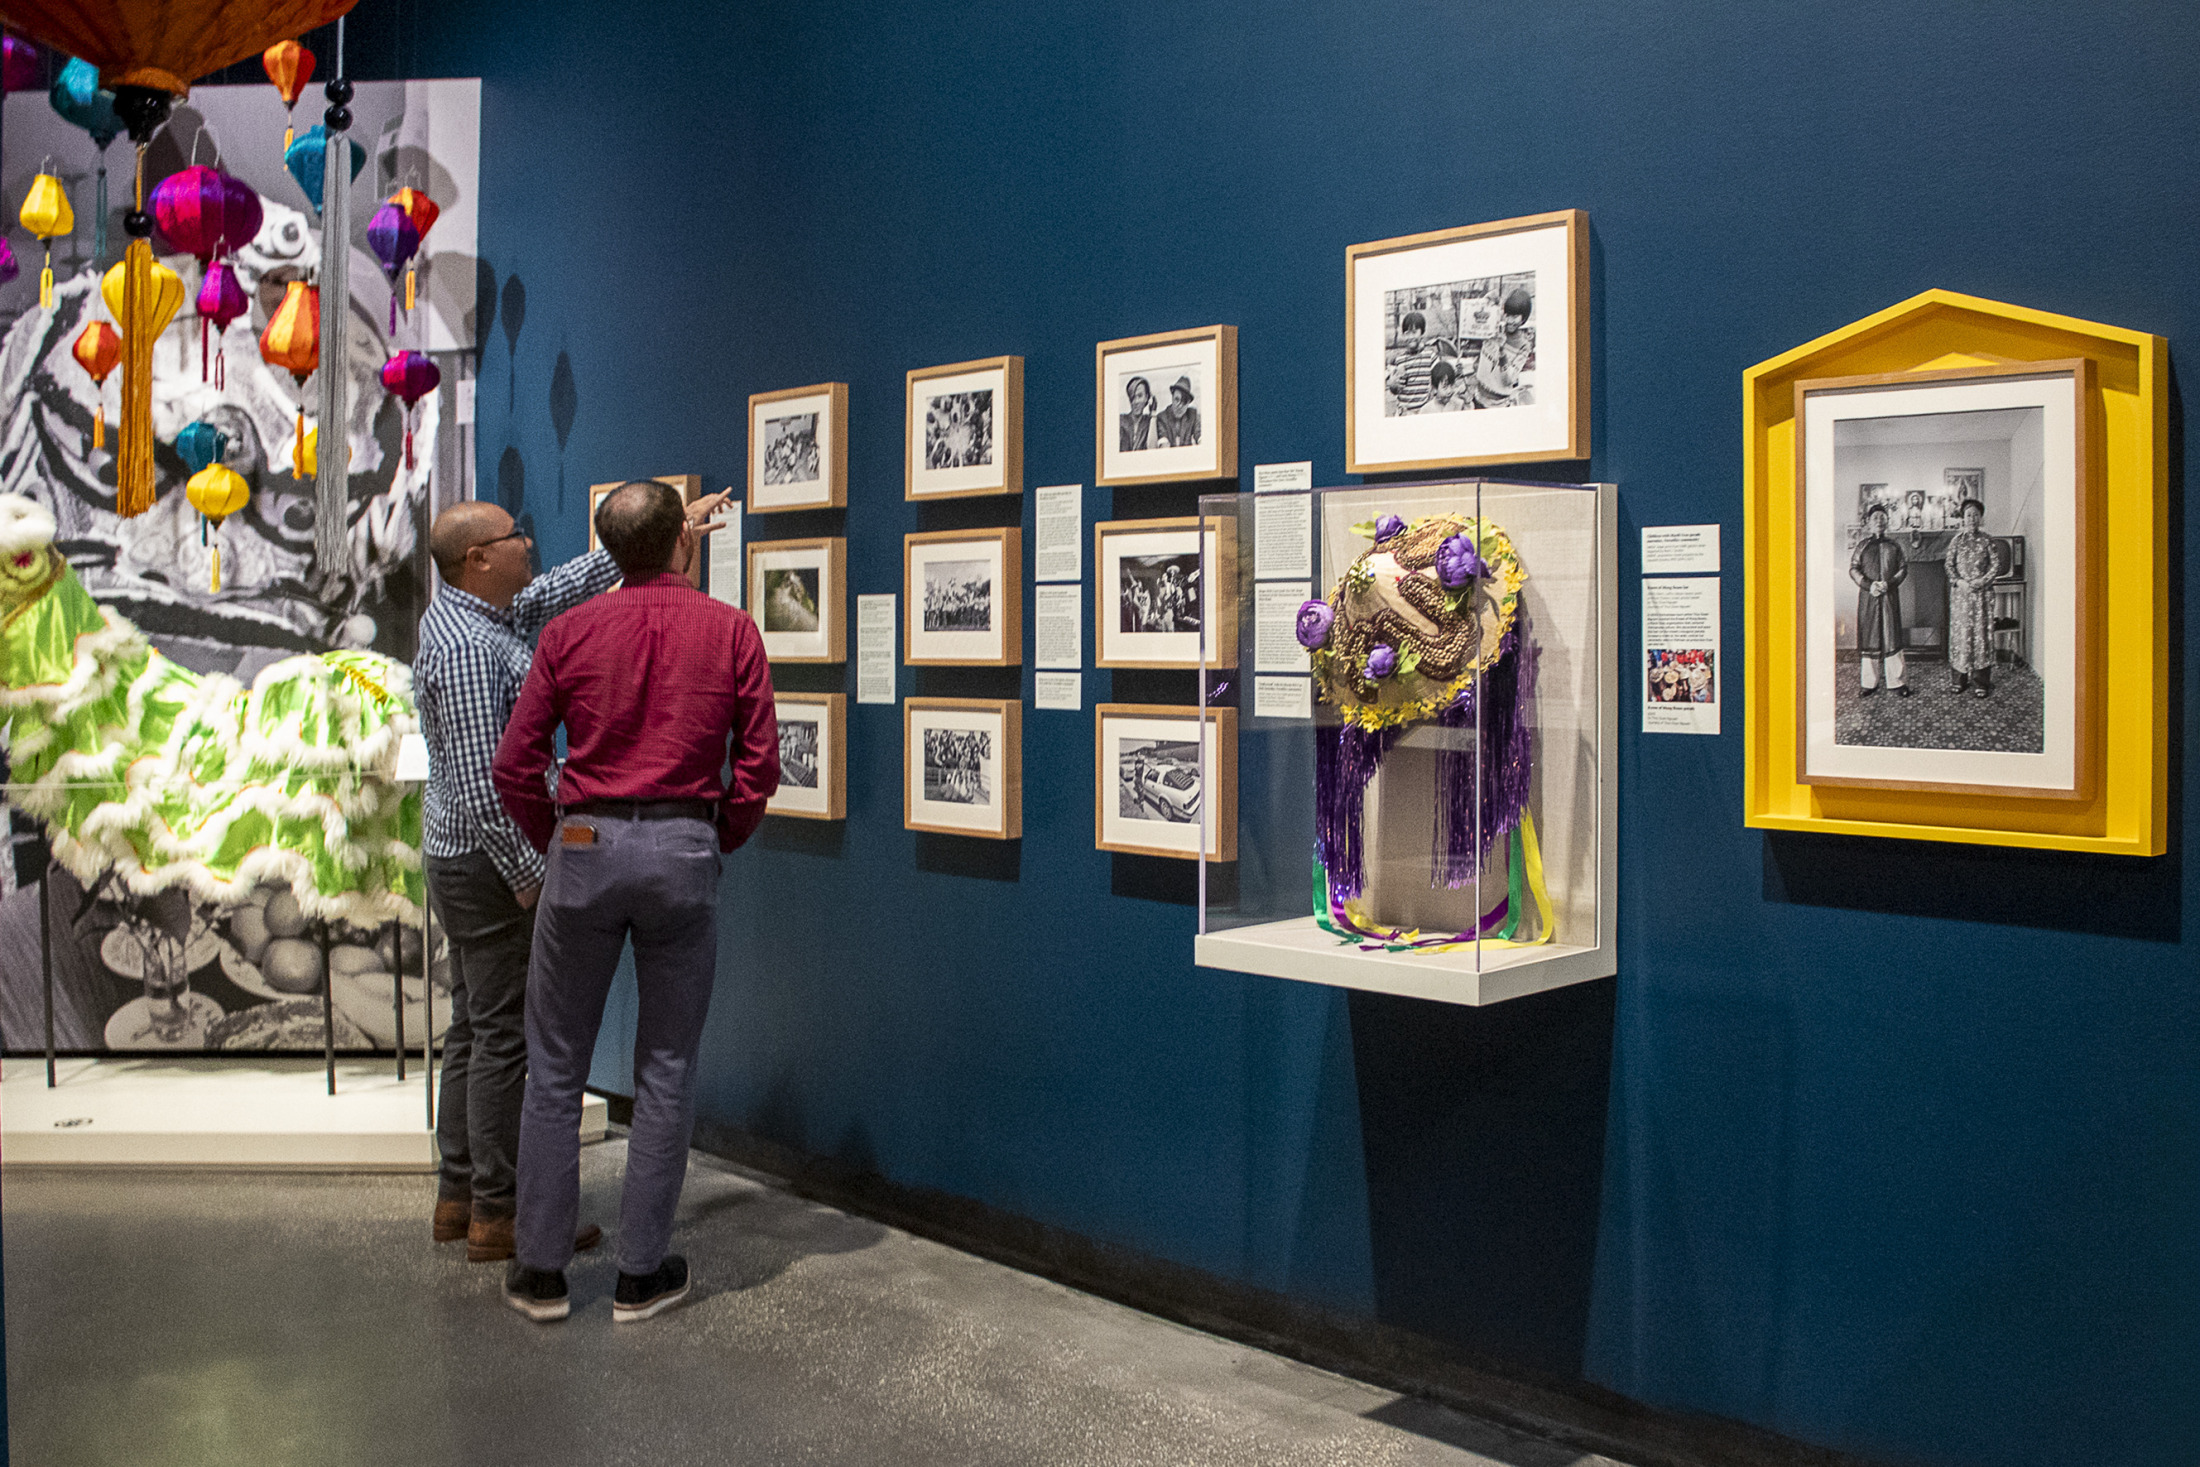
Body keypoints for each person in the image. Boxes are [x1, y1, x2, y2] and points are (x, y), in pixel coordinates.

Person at [492, 481, 779, 1325]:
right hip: (684, 847)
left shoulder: (569, 630)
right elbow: (757, 767)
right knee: (667, 1065)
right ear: (683, 544)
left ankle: (542, 1272)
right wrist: (711, 834)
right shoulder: (732, 630)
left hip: (582, 845)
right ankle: (641, 1275)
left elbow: (516, 767)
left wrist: (562, 833)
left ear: (606, 551)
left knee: (554, 1067)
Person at [415, 500, 620, 1263]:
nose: (528, 544)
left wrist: (646, 542)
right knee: (504, 1035)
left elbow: (551, 590)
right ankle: (500, 1213)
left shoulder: (478, 615)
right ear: (477, 558)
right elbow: (481, 779)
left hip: (460, 856)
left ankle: (460, 1193)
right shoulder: (471, 646)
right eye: (514, 537)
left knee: (474, 1025)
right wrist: (528, 871)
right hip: (487, 862)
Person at [1850, 502, 1911, 698]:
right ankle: (1869, 683)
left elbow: (1903, 569)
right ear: (1868, 522)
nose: (1879, 521)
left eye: (1882, 518)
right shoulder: (1862, 546)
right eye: (1875, 518)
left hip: (1889, 597)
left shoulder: (1895, 546)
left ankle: (1898, 682)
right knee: (1870, 637)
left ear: (1887, 522)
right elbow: (1853, 569)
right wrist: (1870, 585)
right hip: (1869, 598)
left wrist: (1890, 583)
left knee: (1892, 636)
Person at [1945, 497, 1996, 697]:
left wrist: (1982, 581)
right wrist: (1960, 582)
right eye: (1968, 515)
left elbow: (1995, 565)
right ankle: (1959, 679)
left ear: (1980, 518)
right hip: (1961, 596)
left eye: (1975, 514)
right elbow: (1949, 566)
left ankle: (1981, 682)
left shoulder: (1987, 540)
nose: (1972, 518)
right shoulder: (1956, 541)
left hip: (1982, 595)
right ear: (1963, 518)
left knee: (1981, 636)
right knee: (1961, 636)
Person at [1384, 309, 1438, 413]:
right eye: (1407, 333)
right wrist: (1392, 385)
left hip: (1423, 411)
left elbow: (1440, 379)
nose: (1411, 337)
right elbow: (1395, 390)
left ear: (1422, 333)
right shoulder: (1399, 360)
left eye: (1414, 332)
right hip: (1404, 412)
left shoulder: (1430, 357)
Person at [1156, 375, 1200, 446]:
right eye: (1177, 399)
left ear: (1188, 403)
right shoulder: (1162, 417)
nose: (1179, 406)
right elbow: (1163, 443)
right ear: (1172, 398)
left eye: (1184, 402)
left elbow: (1200, 435)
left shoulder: (1193, 415)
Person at [1118, 376, 1156, 451]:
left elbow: (1152, 448)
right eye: (1133, 397)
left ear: (1147, 398)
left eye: (1140, 396)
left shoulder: (1149, 422)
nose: (1136, 402)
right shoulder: (1121, 420)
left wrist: (1153, 413)